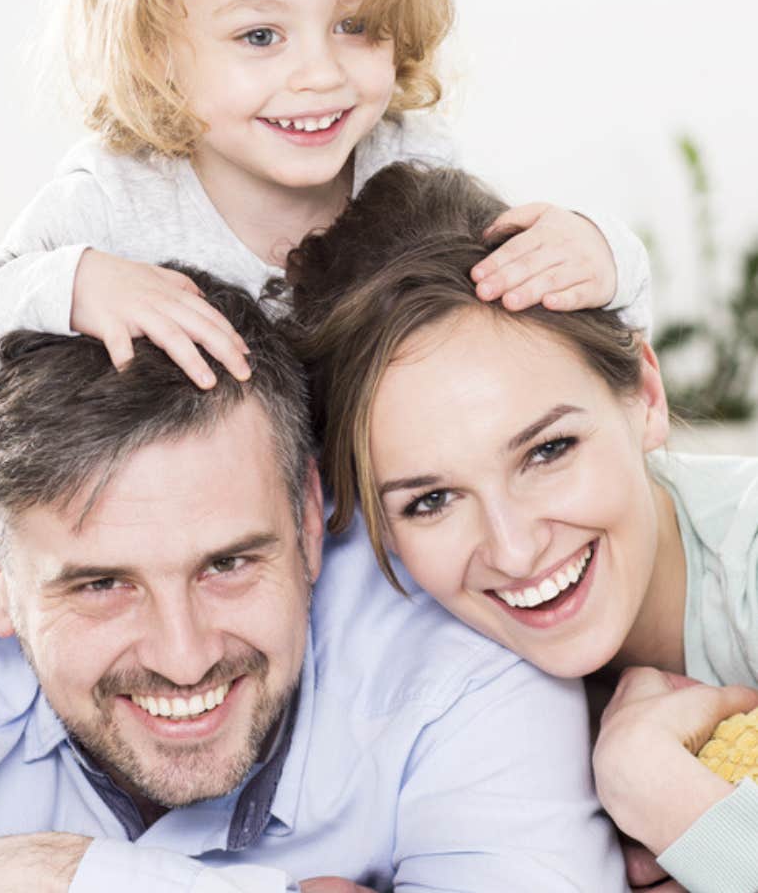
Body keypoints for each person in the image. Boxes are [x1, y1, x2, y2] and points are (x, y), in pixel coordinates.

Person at [0, 266, 627, 892]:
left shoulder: (465, 663)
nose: (182, 658)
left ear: (311, 522)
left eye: (228, 564)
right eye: (102, 586)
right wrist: (57, 872)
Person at [0, 0, 650, 451]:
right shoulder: (113, 203)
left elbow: (571, 354)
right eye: (260, 35)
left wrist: (600, 253)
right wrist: (66, 287)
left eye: (354, 25)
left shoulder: (411, 163)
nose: (319, 74)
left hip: (382, 555)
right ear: (153, 51)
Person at [283, 161, 758, 893]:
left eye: (548, 450)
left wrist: (659, 791)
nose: (513, 548)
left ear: (647, 396)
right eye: (431, 501)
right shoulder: (423, 694)